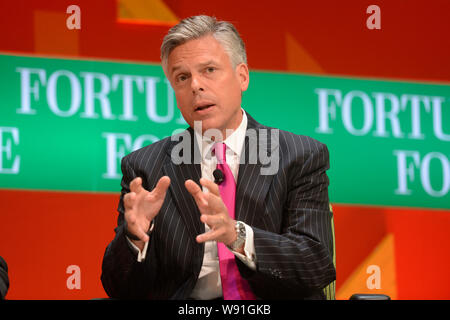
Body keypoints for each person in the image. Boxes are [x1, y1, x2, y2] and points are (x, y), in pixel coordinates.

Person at [101, 15, 335, 300]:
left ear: (242, 76)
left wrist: (236, 235)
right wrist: (134, 239)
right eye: (182, 77)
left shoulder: (298, 156)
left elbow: (315, 263)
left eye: (209, 70)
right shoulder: (146, 168)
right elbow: (119, 289)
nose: (196, 86)